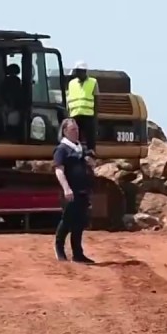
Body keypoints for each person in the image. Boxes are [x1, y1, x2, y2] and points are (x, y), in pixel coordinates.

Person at [53, 118, 95, 264]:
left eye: (77, 129)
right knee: (67, 220)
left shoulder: (81, 148)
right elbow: (59, 171)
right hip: (70, 191)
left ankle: (78, 253)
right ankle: (59, 248)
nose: (76, 132)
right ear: (65, 131)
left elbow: (91, 164)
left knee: (79, 222)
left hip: (83, 190)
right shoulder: (62, 149)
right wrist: (66, 188)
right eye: (72, 130)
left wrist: (91, 162)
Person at [66, 61, 98, 153]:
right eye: (77, 71)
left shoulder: (93, 82)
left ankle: (91, 153)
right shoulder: (71, 83)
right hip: (74, 115)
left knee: (90, 138)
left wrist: (95, 116)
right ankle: (76, 153)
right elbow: (68, 99)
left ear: (84, 72)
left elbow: (96, 100)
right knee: (75, 137)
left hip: (88, 115)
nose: (78, 73)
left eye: (80, 71)